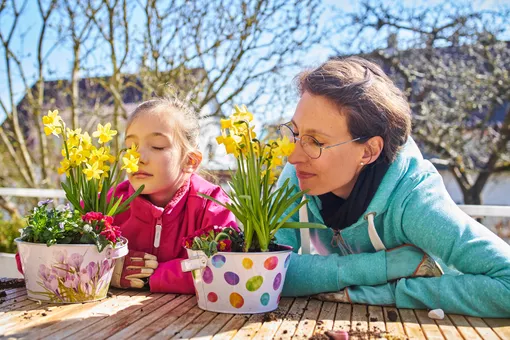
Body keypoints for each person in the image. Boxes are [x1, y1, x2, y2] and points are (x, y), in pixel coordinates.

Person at [275, 56, 510, 317]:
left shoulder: (414, 199)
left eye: (316, 142)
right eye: (295, 134)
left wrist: (388, 292)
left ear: (368, 151)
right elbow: (259, 270)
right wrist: (382, 266)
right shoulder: (301, 172)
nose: (292, 156)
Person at [109, 97, 237, 293]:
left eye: (158, 146)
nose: (138, 158)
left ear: (190, 161)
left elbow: (224, 265)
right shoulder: (110, 203)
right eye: (130, 147)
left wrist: (152, 276)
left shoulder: (212, 204)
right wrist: (106, 265)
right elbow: (64, 253)